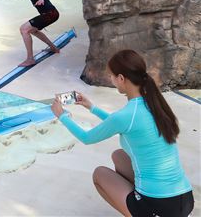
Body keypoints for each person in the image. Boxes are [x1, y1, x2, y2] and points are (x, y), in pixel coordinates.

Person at [51, 50, 194, 217]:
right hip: (185, 198)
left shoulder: (127, 115)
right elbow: (120, 123)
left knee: (100, 174)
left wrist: (62, 115)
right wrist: (91, 107)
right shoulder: (154, 103)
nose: (111, 80)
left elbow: (87, 138)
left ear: (121, 78)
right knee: (119, 155)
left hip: (159, 205)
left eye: (111, 76)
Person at [2, 0, 60, 67]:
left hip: (50, 14)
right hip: (51, 13)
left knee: (24, 29)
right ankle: (53, 48)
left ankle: (30, 59)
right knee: (33, 30)